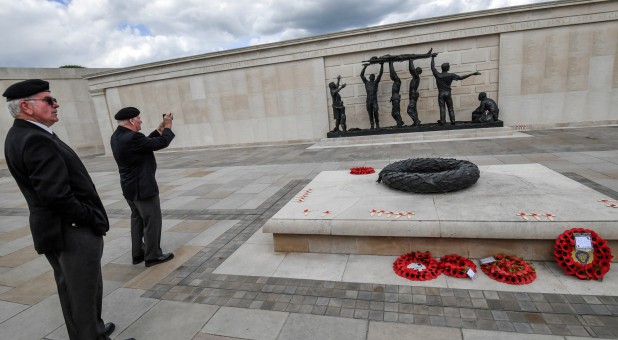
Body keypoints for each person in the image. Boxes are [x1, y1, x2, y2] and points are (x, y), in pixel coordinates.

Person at [3, 79, 132, 340]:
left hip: (57, 229)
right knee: (83, 292)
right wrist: (90, 219)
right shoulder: (35, 139)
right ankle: (90, 334)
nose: (56, 104)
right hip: (70, 231)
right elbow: (56, 195)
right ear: (26, 106)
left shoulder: (24, 134)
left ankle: (91, 331)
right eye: (49, 100)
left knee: (74, 289)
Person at [110, 107, 175, 268]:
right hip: (143, 187)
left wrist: (158, 130)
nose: (141, 121)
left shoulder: (118, 136)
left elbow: (144, 144)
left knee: (137, 219)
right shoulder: (132, 137)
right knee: (152, 220)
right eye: (138, 118)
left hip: (130, 187)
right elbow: (161, 143)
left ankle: (138, 253)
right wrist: (167, 126)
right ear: (132, 121)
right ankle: (153, 256)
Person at [431, 53, 480, 125]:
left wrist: (432, 57)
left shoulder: (438, 75)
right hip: (448, 93)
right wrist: (472, 74)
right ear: (447, 68)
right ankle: (453, 120)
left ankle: (443, 121)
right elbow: (461, 78)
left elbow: (432, 67)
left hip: (441, 93)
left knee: (442, 108)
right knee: (450, 108)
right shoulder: (451, 75)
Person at [360, 62, 384, 130]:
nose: (372, 76)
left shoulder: (376, 82)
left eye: (373, 76)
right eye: (371, 75)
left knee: (376, 112)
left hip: (374, 100)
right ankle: (372, 125)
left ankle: (377, 124)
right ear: (369, 77)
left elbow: (380, 73)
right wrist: (365, 67)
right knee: (370, 113)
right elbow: (361, 75)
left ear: (374, 78)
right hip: (368, 100)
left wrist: (382, 65)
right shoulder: (366, 82)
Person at [388, 60, 405, 127]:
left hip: (396, 99)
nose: (391, 77)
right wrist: (389, 63)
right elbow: (392, 73)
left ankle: (399, 123)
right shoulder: (395, 82)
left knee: (396, 112)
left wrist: (391, 63)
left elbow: (393, 72)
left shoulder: (397, 81)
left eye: (391, 76)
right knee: (393, 113)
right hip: (394, 98)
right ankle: (400, 122)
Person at [407, 58, 423, 127]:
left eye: (416, 71)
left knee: (409, 110)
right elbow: (411, 70)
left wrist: (410, 61)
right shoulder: (415, 77)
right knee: (414, 109)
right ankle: (416, 121)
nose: (414, 72)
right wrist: (410, 61)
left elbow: (412, 69)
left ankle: (416, 121)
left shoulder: (416, 77)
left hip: (413, 95)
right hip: (413, 95)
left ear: (417, 72)